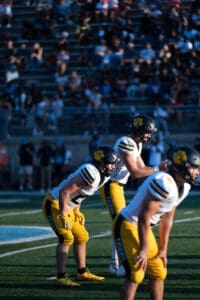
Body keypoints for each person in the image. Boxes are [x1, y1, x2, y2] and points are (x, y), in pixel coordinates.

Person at [113, 145, 200, 300]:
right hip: (128, 224)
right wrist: (144, 249)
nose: (197, 172)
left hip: (143, 227)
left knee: (159, 271)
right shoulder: (163, 181)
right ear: (182, 166)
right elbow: (143, 217)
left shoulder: (184, 187)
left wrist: (163, 248)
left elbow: (167, 217)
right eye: (194, 167)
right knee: (136, 274)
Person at [100, 114, 168, 277]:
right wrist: (158, 168)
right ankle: (120, 265)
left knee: (121, 223)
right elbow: (136, 172)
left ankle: (116, 264)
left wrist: (159, 171)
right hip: (111, 185)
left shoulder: (134, 144)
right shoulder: (126, 142)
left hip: (118, 187)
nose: (149, 136)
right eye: (147, 132)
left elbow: (143, 168)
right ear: (139, 130)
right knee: (121, 224)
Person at [42, 145, 119, 287]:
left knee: (82, 236)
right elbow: (65, 191)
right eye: (111, 163)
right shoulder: (90, 172)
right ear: (101, 162)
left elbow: (79, 194)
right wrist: (64, 213)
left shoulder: (102, 176)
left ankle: (82, 272)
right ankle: (61, 276)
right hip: (55, 203)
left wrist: (76, 210)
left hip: (69, 206)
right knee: (66, 238)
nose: (113, 167)